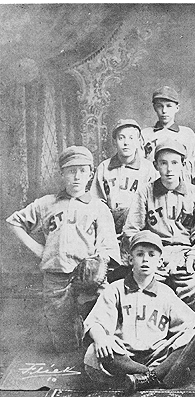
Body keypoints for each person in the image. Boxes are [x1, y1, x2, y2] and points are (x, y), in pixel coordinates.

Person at [6, 146, 120, 352]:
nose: (77, 176)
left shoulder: (98, 207)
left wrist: (98, 266)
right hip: (55, 279)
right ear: (62, 173)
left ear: (91, 173)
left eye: (82, 170)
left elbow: (108, 246)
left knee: (98, 333)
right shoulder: (46, 203)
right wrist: (40, 250)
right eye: (71, 170)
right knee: (63, 342)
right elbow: (14, 222)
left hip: (88, 279)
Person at [83, 230, 195, 392]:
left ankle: (148, 377)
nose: (146, 259)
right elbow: (96, 322)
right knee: (94, 350)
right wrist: (100, 338)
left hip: (158, 355)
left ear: (160, 261)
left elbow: (193, 326)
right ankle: (152, 374)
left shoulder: (165, 292)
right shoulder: (116, 289)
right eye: (140, 254)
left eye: (152, 255)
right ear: (130, 259)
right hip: (124, 355)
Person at [122, 139, 195, 316]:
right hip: (154, 252)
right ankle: (158, 333)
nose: (169, 169)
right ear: (155, 165)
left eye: (174, 163)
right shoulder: (145, 191)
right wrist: (148, 253)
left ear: (183, 165)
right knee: (146, 286)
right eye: (163, 163)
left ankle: (189, 332)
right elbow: (131, 230)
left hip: (185, 254)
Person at [91, 119, 157, 263]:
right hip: (110, 229)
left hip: (138, 230)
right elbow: (96, 202)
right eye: (121, 138)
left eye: (131, 138)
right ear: (114, 141)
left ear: (139, 141)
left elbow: (154, 205)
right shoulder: (104, 167)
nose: (126, 142)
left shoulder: (148, 168)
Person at [141, 86, 195, 162]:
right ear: (154, 108)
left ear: (177, 108)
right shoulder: (145, 134)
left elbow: (194, 163)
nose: (164, 111)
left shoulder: (187, 134)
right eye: (159, 106)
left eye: (169, 106)